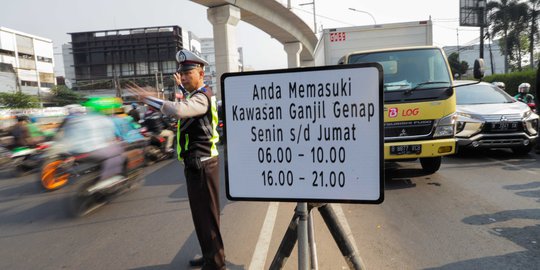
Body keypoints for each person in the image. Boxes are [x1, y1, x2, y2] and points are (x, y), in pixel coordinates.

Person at [135, 49, 223, 269]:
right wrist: (181, 88)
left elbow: (179, 110)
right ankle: (208, 254)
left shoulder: (203, 97)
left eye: (188, 73)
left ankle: (217, 264)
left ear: (201, 73)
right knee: (201, 217)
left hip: (203, 164)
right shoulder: (196, 94)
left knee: (208, 218)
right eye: (181, 74)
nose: (183, 77)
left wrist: (151, 100)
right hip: (195, 164)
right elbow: (186, 101)